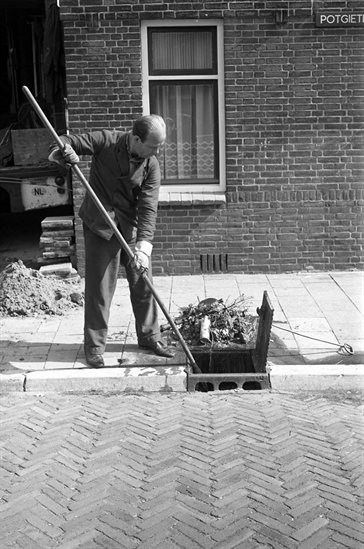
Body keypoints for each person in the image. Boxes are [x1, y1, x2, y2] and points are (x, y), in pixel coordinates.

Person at [48, 114, 175, 368]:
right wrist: (65, 153)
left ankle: (150, 336)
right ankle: (94, 347)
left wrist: (143, 247)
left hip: (130, 228)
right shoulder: (106, 141)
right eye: (153, 145)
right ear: (136, 139)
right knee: (100, 288)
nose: (157, 151)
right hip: (99, 225)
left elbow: (148, 208)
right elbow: (62, 141)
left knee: (143, 282)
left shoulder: (151, 165)